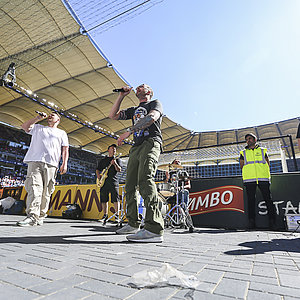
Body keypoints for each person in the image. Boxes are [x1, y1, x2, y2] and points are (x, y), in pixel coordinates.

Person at [109, 84, 164, 243]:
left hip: (151, 142)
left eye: (143, 86)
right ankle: (133, 223)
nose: (139, 87)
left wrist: (129, 131)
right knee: (130, 185)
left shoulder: (155, 103)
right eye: (138, 87)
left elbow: (152, 117)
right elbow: (113, 115)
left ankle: (154, 229)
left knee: (145, 180)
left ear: (150, 92)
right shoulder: (133, 110)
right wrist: (121, 96)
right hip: (136, 146)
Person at [16, 111, 69, 226]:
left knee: (46, 192)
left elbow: (65, 149)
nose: (50, 116)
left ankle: (41, 215)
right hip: (35, 161)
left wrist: (64, 163)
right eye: (49, 114)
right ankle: (32, 216)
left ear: (58, 120)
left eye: (53, 115)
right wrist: (37, 118)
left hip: (52, 164)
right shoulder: (38, 127)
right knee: (34, 188)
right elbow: (24, 126)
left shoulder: (62, 133)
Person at [239, 133, 276, 229]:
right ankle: (251, 222)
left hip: (263, 179)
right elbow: (242, 165)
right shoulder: (243, 153)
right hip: (249, 180)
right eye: (247, 139)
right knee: (251, 201)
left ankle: (272, 222)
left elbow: (268, 163)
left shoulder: (263, 150)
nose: (248, 140)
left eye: (250, 138)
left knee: (268, 200)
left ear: (255, 139)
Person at [96, 144, 122, 223]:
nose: (114, 150)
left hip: (113, 181)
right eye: (112, 149)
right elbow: (98, 169)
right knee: (104, 199)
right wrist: (98, 176)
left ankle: (117, 216)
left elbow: (119, 170)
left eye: (115, 149)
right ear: (108, 150)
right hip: (104, 182)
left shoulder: (117, 159)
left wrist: (115, 164)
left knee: (115, 199)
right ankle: (105, 215)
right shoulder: (103, 160)